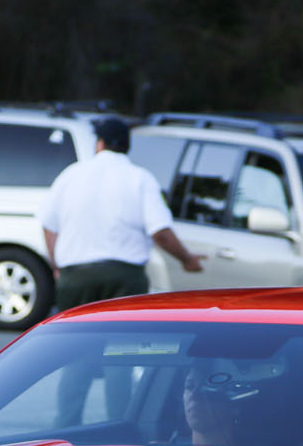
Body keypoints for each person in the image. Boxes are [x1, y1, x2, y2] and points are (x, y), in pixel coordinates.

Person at [38, 116, 202, 311]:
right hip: (125, 279)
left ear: (100, 144)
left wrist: (57, 266)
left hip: (75, 277)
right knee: (122, 340)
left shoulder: (70, 175)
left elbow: (49, 225)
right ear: (127, 147)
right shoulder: (141, 178)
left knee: (75, 340)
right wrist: (186, 259)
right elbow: (160, 233)